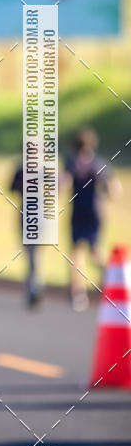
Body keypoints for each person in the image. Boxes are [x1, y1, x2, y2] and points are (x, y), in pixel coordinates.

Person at [61, 127, 122, 311]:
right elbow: (114, 190)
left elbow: (62, 184)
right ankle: (110, 280)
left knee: (76, 254)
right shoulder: (98, 164)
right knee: (96, 253)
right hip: (95, 213)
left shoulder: (71, 164)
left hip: (78, 212)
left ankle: (78, 295)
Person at [10, 161, 42, 308]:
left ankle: (34, 290)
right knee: (31, 256)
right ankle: (33, 289)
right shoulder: (21, 169)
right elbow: (11, 188)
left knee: (35, 256)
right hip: (26, 216)